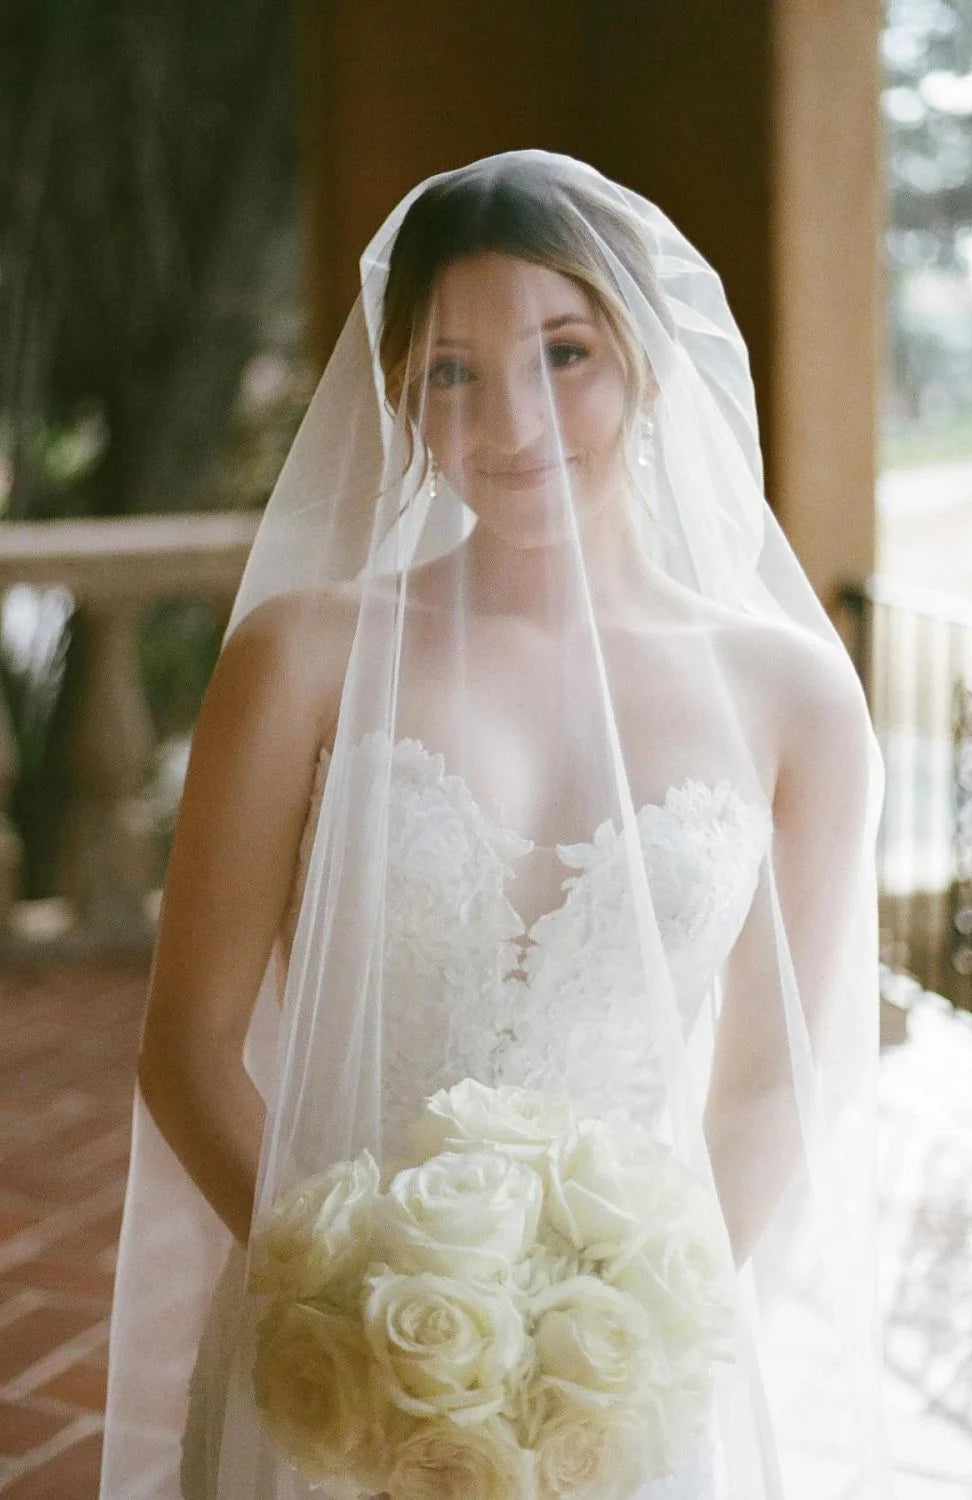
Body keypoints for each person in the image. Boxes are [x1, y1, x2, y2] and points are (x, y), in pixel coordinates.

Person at [100, 150, 893, 1499]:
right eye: (451, 371)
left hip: (615, 1381)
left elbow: (769, 1083)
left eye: (563, 353)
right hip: (334, 1359)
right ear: (400, 397)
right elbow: (187, 1051)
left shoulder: (794, 700)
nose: (512, 421)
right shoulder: (303, 658)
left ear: (648, 357)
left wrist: (634, 1333)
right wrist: (348, 1305)